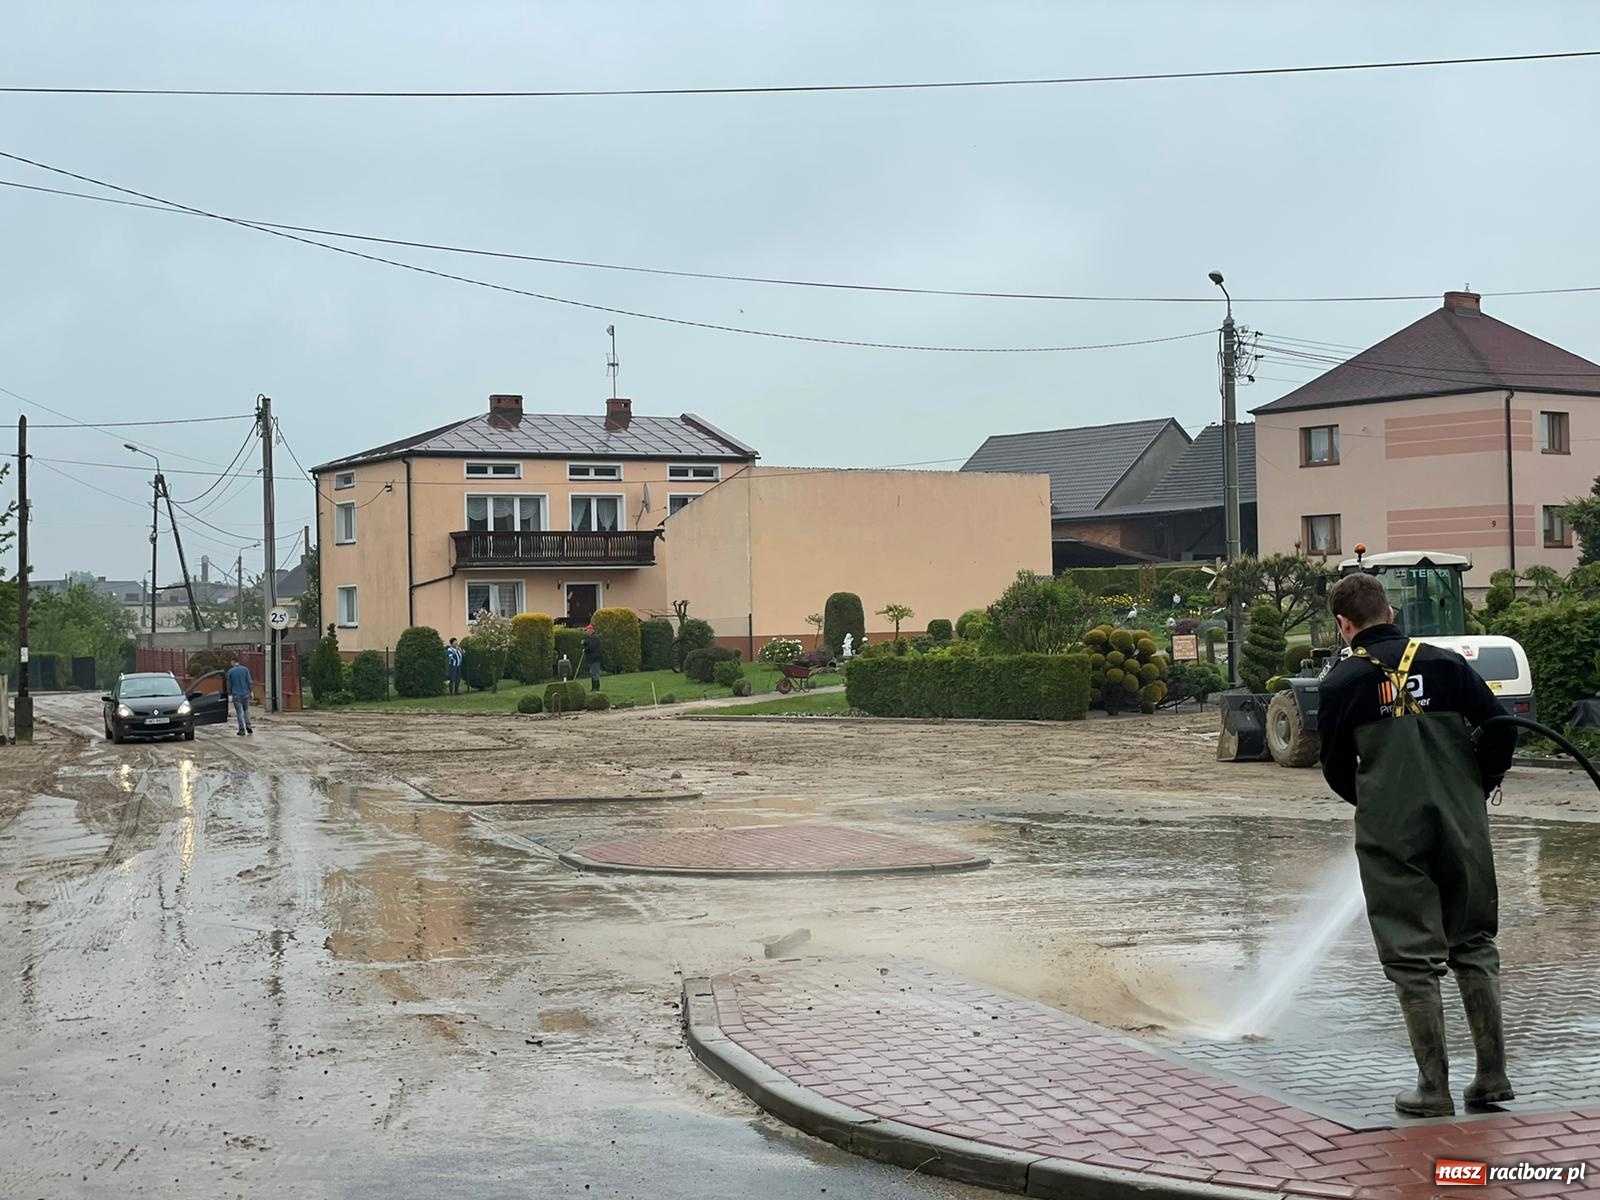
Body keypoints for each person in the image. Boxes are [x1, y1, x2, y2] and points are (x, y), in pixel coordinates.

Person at [1316, 572, 1517, 1118]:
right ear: (1390, 613)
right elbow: (1501, 727)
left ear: (1344, 624)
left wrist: (1376, 803)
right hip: (1462, 824)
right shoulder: (1447, 665)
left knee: (1411, 951)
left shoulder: (1340, 683)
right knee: (1473, 940)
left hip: (1392, 831)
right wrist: (1478, 784)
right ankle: (1492, 1075)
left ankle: (1433, 1088)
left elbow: (1334, 766)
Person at [226, 659, 254, 737]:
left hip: (236, 695)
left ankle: (241, 729)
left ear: (233, 662)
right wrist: (251, 691)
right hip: (246, 694)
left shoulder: (230, 672)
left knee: (239, 712)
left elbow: (229, 684)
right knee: (246, 710)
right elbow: (249, 681)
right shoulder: (245, 670)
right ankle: (248, 725)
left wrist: (229, 694)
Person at [583, 624, 603, 691]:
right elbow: (589, 644)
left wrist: (586, 649)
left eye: (587, 631)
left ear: (591, 630)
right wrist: (585, 643)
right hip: (592, 659)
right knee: (592, 673)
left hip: (595, 659)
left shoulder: (594, 638)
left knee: (595, 673)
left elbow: (591, 647)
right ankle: (594, 687)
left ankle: (596, 687)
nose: (586, 632)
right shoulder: (592, 638)